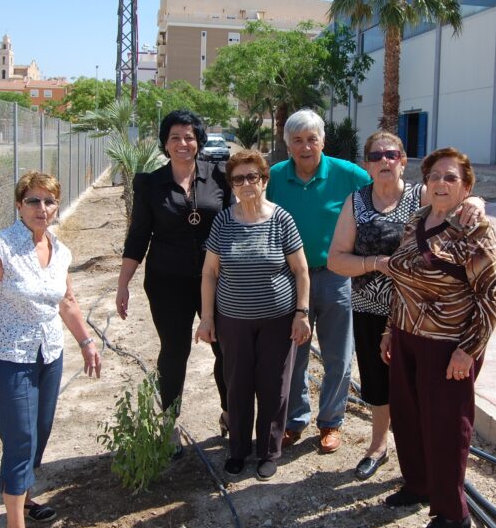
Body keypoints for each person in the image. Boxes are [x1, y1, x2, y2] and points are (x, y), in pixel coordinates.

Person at [0, 171, 102, 528]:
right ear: (19, 205)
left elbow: (67, 302)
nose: (41, 208)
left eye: (49, 201)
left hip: (49, 355)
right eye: (33, 200)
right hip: (8, 357)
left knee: (40, 432)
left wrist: (86, 342)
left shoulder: (60, 250)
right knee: (20, 437)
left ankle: (25, 497)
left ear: (56, 207)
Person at [326, 131, 484, 480]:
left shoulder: (423, 195)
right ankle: (378, 445)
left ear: (403, 160)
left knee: (419, 388)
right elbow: (336, 259)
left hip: (421, 314)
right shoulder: (356, 202)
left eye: (392, 154)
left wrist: (479, 203)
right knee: (377, 383)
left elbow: (460, 199)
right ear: (366, 164)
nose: (385, 161)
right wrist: (376, 263)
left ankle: (421, 456)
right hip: (370, 308)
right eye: (376, 155)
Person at [381, 148, 496, 528]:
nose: (441, 183)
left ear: (467, 187)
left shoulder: (475, 228)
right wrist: (389, 329)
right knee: (408, 417)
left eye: (451, 178)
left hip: (448, 345)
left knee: (446, 429)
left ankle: (453, 515)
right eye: (435, 176)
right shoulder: (417, 218)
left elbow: (493, 295)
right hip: (405, 335)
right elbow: (401, 277)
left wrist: (468, 350)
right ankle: (418, 485)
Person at [117, 110, 231, 453]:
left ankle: (231, 412)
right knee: (175, 350)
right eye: (175, 138)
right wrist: (123, 284)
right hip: (167, 281)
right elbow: (138, 236)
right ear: (165, 143)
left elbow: (237, 223)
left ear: (200, 141)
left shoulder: (220, 177)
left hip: (217, 279)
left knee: (225, 348)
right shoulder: (150, 183)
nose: (183, 143)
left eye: (190, 137)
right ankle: (169, 423)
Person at [195, 150, 311, 481]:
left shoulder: (282, 219)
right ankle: (238, 450)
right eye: (239, 178)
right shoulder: (223, 221)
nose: (246, 183)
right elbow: (209, 273)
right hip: (233, 321)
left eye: (253, 177)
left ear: (264, 180)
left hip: (278, 320)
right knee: (238, 386)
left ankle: (268, 451)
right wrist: (207, 318)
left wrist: (301, 312)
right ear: (231, 184)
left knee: (274, 387)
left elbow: (301, 271)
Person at [266, 109, 371, 454]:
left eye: (312, 139)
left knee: (338, 355)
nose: (306, 146)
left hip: (336, 278)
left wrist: (470, 199)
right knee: (291, 354)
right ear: (288, 145)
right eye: (297, 140)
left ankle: (331, 422)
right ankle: (295, 421)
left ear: (322, 141)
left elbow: (389, 192)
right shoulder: (276, 177)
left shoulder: (348, 174)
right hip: (290, 280)